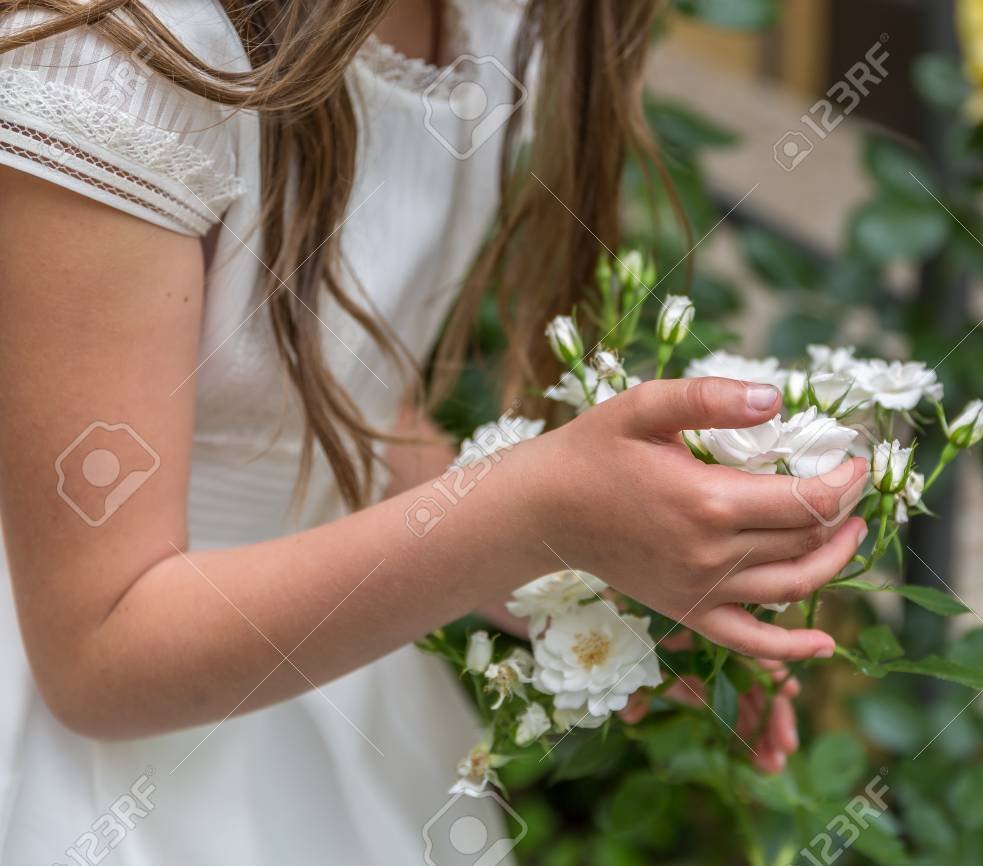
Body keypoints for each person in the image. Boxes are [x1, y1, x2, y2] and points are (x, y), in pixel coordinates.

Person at [0, 0, 869, 861]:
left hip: (315, 670)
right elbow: (95, 655)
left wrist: (588, 579)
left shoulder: (483, 25)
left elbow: (354, 421)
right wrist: (528, 515)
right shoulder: (117, 56)